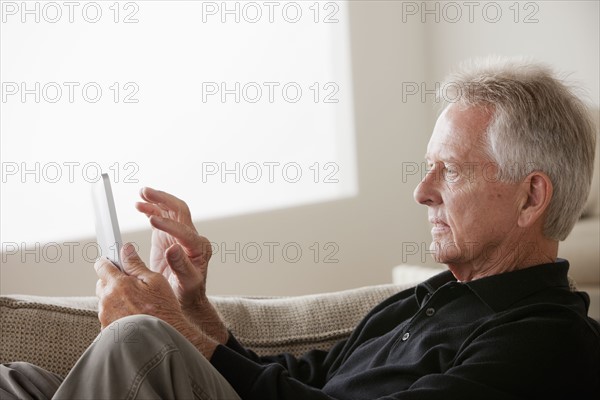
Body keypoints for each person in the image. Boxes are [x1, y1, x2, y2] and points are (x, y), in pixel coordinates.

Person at [2, 57, 599, 399]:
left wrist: (166, 330)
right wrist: (194, 308)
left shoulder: (548, 341)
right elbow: (293, 381)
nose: (422, 192)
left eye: (452, 171)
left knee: (136, 345)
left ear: (530, 197)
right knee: (19, 382)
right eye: (426, 169)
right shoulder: (425, 300)